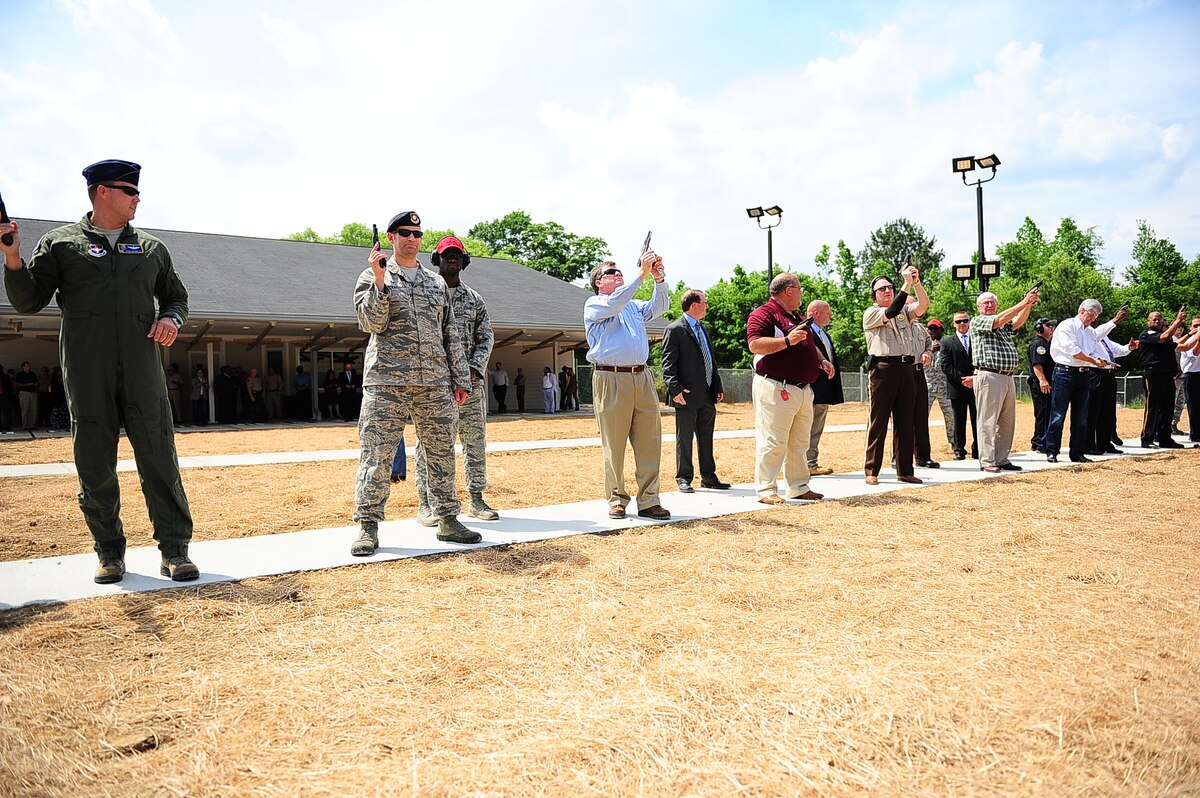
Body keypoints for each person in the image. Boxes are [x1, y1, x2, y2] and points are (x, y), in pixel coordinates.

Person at [1, 159, 198, 583]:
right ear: (103, 192)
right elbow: (28, 301)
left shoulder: (150, 249)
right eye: (130, 192)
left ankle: (175, 550)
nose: (137, 200)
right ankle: (109, 552)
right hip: (88, 373)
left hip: (143, 372)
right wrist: (13, 258)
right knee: (94, 464)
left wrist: (171, 320)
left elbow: (176, 298)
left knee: (159, 457)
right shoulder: (61, 244)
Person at [349, 210, 475, 555]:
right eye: (404, 232)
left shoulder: (435, 283)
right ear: (390, 238)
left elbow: (450, 334)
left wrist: (459, 378)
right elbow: (370, 323)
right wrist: (379, 282)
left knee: (441, 454)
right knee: (377, 455)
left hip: (434, 383)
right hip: (386, 383)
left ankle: (447, 520)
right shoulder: (373, 276)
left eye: (417, 234)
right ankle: (368, 526)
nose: (412, 239)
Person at [413, 236, 498, 525]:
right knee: (429, 444)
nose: (452, 259)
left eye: (457, 255)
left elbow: (486, 337)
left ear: (464, 261)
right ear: (436, 260)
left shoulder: (474, 299)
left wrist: (473, 369)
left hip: (471, 386)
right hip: (435, 387)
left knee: (474, 442)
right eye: (447, 255)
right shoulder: (426, 294)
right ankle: (426, 503)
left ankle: (476, 499)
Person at [584, 252, 671, 520]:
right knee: (614, 443)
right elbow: (616, 303)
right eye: (611, 272)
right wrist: (640, 274)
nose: (617, 273)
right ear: (599, 282)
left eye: (619, 271)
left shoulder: (632, 306)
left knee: (649, 440)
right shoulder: (595, 304)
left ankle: (649, 499)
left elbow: (661, 307)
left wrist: (658, 278)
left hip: (641, 376)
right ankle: (616, 498)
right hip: (610, 378)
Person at [747, 274, 828, 503]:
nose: (802, 293)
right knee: (773, 440)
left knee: (800, 442)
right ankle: (766, 490)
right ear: (789, 290)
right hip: (776, 386)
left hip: (803, 390)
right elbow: (754, 343)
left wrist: (821, 361)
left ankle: (798, 486)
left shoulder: (797, 316)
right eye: (800, 289)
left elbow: (808, 345)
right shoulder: (763, 314)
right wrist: (787, 341)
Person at [862, 267, 928, 485]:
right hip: (883, 369)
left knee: (905, 420)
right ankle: (872, 470)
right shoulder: (871, 312)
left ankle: (905, 470)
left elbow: (923, 305)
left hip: (906, 367)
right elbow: (889, 312)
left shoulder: (904, 312)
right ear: (875, 295)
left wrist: (916, 283)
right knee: (879, 421)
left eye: (890, 287)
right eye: (882, 288)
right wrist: (905, 284)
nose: (888, 290)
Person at [662, 289, 730, 493]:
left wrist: (717, 386)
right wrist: (675, 390)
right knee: (684, 438)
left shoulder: (703, 329)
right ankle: (684, 477)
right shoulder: (675, 329)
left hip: (707, 393)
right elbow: (667, 364)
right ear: (694, 305)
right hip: (686, 394)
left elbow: (710, 360)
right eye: (704, 302)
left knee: (706, 436)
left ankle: (709, 477)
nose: (707, 305)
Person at [969, 289, 1039, 472]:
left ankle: (1001, 458)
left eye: (993, 302)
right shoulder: (978, 321)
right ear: (978, 307)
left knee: (1006, 422)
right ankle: (987, 461)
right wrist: (1023, 302)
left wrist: (1028, 304)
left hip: (1006, 376)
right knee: (987, 420)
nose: (990, 305)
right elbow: (998, 320)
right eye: (986, 302)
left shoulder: (1002, 325)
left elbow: (1017, 322)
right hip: (989, 374)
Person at [1044, 299, 1110, 462]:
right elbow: (1073, 351)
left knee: (1081, 417)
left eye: (1095, 317)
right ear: (1082, 310)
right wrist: (1093, 361)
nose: (1092, 319)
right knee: (1058, 414)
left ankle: (1077, 452)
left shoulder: (1090, 332)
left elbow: (1091, 351)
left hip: (1084, 373)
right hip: (1065, 373)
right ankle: (1052, 450)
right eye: (1091, 315)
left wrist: (1098, 361)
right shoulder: (1068, 325)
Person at [1084, 306, 1136, 455]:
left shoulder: (1103, 338)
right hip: (1095, 373)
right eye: (1092, 317)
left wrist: (1129, 348)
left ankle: (1105, 443)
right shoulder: (1087, 335)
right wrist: (1116, 319)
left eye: (1096, 317)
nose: (1095, 320)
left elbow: (1116, 350)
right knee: (1093, 410)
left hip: (1108, 374)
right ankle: (1088, 443)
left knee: (1108, 411)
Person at [1138, 307, 1191, 449]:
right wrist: (1178, 320)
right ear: (1148, 321)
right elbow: (1162, 338)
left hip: (1167, 375)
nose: (1157, 321)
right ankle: (1147, 439)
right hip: (1153, 374)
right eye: (1154, 319)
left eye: (1159, 319)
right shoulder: (1147, 334)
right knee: (1153, 406)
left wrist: (1194, 334)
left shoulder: (1166, 337)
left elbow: (1181, 346)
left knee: (1168, 407)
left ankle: (1165, 438)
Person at [805, 300, 843, 476]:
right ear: (815, 313)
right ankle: (808, 464)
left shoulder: (823, 334)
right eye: (827, 312)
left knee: (817, 427)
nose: (830, 315)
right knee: (808, 428)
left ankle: (810, 462)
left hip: (824, 389)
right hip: (812, 389)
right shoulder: (805, 332)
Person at [899, 302, 938, 469]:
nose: (915, 307)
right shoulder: (896, 325)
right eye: (910, 304)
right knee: (902, 417)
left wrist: (928, 352)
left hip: (919, 372)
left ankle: (923, 456)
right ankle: (898, 456)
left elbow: (929, 344)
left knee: (921, 416)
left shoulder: (920, 328)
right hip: (902, 371)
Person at [939, 311, 979, 460]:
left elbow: (981, 361)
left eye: (965, 320)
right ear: (953, 324)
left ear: (969, 321)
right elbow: (945, 365)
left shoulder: (977, 340)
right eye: (958, 321)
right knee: (958, 420)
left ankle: (978, 449)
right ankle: (959, 449)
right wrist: (963, 379)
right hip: (957, 387)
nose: (962, 324)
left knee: (978, 420)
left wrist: (974, 378)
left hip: (976, 386)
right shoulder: (947, 343)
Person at [925, 319, 958, 455]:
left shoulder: (948, 344)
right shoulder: (923, 344)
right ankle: (920, 446)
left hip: (945, 387)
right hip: (927, 386)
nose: (933, 331)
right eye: (930, 329)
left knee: (950, 416)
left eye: (936, 329)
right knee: (921, 417)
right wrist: (930, 350)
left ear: (941, 330)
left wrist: (942, 348)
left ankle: (954, 444)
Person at [1027, 318, 1057, 452]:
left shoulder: (1047, 343)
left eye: (1053, 325)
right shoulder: (1038, 344)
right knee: (1043, 413)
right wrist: (1042, 380)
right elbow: (1037, 364)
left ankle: (1037, 440)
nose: (1052, 327)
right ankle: (1041, 442)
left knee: (1046, 412)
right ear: (1039, 328)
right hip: (1041, 383)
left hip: (1048, 382)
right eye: (1048, 325)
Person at [1180, 317, 1200, 442]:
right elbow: (1195, 352)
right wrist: (1198, 338)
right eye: (1196, 325)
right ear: (1190, 327)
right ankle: (1195, 433)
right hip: (1191, 375)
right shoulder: (1190, 340)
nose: (1198, 328)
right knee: (1194, 406)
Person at [14, 361, 38, 429]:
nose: (29, 367)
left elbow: (36, 382)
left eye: (29, 366)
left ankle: (32, 425)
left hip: (33, 393)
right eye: (27, 366)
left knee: (33, 409)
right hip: (24, 393)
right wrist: (27, 384)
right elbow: (17, 384)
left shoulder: (32, 374)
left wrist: (36, 386)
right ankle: (25, 425)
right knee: (25, 409)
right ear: (23, 367)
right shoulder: (20, 374)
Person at [0, 365, 13, 434]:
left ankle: (7, 426)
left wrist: (9, 397)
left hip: (5, 396)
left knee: (6, 412)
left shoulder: (5, 377)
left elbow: (10, 388)